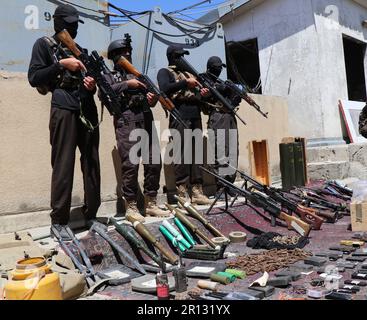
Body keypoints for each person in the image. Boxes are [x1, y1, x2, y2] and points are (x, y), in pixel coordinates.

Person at [28, 4, 100, 240]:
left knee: (91, 164)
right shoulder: (44, 45)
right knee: (63, 164)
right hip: (63, 108)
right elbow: (34, 77)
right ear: (58, 22)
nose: (72, 27)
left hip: (85, 109)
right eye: (68, 22)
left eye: (75, 23)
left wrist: (91, 85)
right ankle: (59, 222)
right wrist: (61, 64)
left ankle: (92, 215)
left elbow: (92, 83)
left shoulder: (81, 50)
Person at [103, 35, 169, 223]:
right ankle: (131, 206)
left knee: (154, 161)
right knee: (130, 165)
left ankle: (151, 203)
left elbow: (153, 96)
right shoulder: (110, 75)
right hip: (127, 120)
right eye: (125, 53)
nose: (129, 55)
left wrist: (152, 98)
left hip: (146, 117)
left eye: (129, 52)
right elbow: (104, 92)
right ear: (116, 56)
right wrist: (126, 85)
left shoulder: (139, 75)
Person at [157, 45, 212, 205]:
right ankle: (182, 191)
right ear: (172, 57)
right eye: (179, 56)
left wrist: (202, 94)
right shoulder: (165, 72)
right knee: (182, 153)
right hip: (179, 113)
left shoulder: (190, 74)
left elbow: (199, 96)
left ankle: (197, 190)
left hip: (195, 113)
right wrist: (185, 84)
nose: (182, 59)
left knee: (196, 153)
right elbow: (165, 89)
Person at [204, 56, 241, 198]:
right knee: (220, 152)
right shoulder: (205, 80)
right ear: (210, 67)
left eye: (220, 67)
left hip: (229, 116)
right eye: (217, 67)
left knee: (232, 150)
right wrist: (219, 88)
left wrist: (235, 95)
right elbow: (202, 97)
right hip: (217, 116)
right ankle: (220, 186)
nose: (219, 69)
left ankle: (229, 184)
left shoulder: (221, 82)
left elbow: (234, 96)